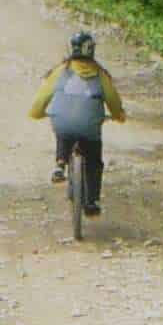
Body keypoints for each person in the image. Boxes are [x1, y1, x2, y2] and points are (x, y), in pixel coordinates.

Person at [33, 31, 126, 218]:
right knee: (93, 161)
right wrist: (118, 116)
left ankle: (60, 163)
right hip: (90, 129)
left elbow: (42, 98)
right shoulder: (100, 74)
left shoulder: (60, 71)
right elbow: (113, 101)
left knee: (63, 128)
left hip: (63, 124)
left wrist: (37, 113)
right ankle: (91, 200)